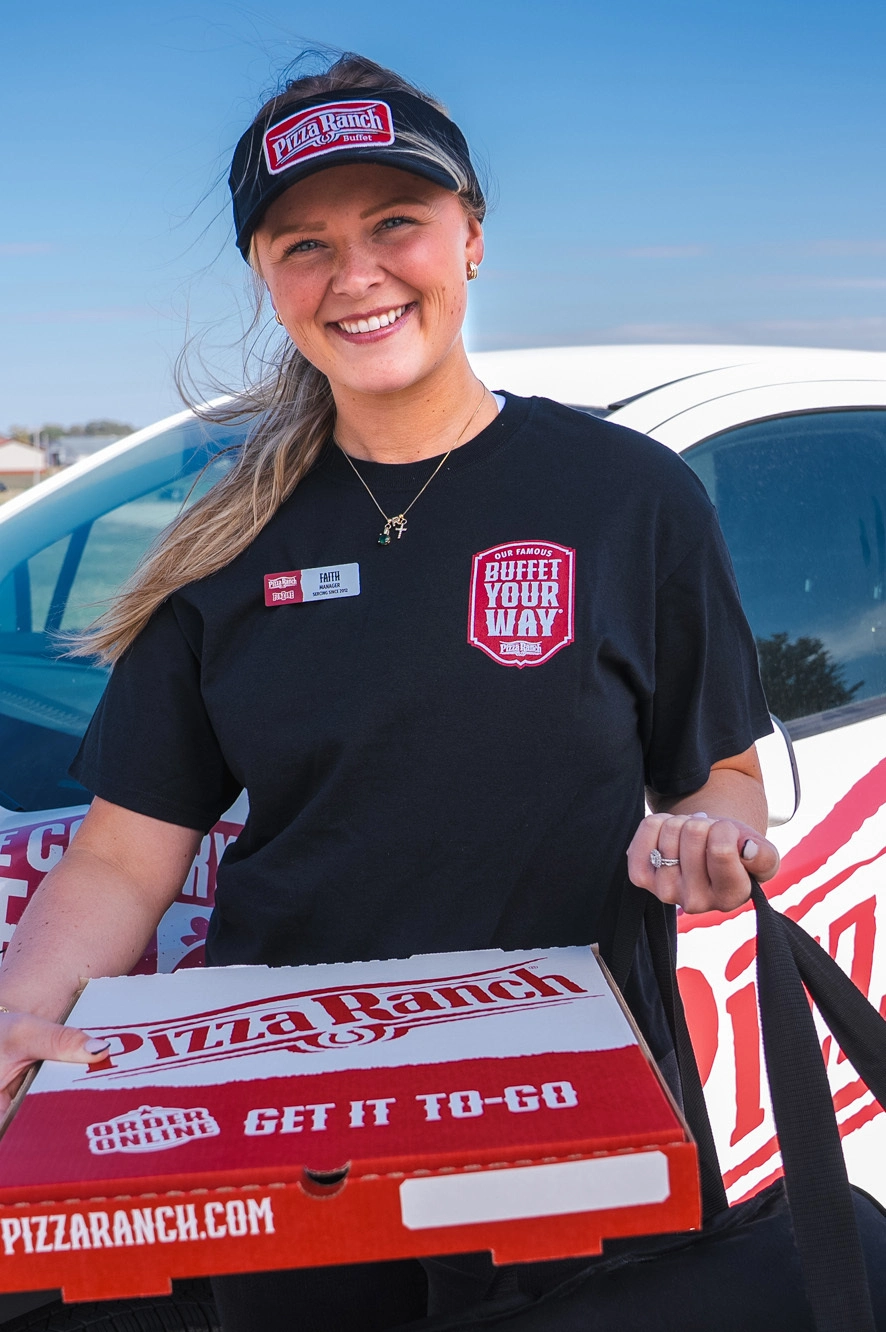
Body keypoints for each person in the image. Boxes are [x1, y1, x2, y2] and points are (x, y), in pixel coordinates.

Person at [0, 52, 779, 1331]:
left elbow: (718, 779)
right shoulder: (224, 546)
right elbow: (124, 862)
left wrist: (714, 838)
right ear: (267, 278)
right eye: (304, 242)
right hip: (286, 1131)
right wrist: (22, 1015)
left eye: (396, 224)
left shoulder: (629, 498)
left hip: (564, 1102)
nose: (354, 275)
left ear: (470, 238)